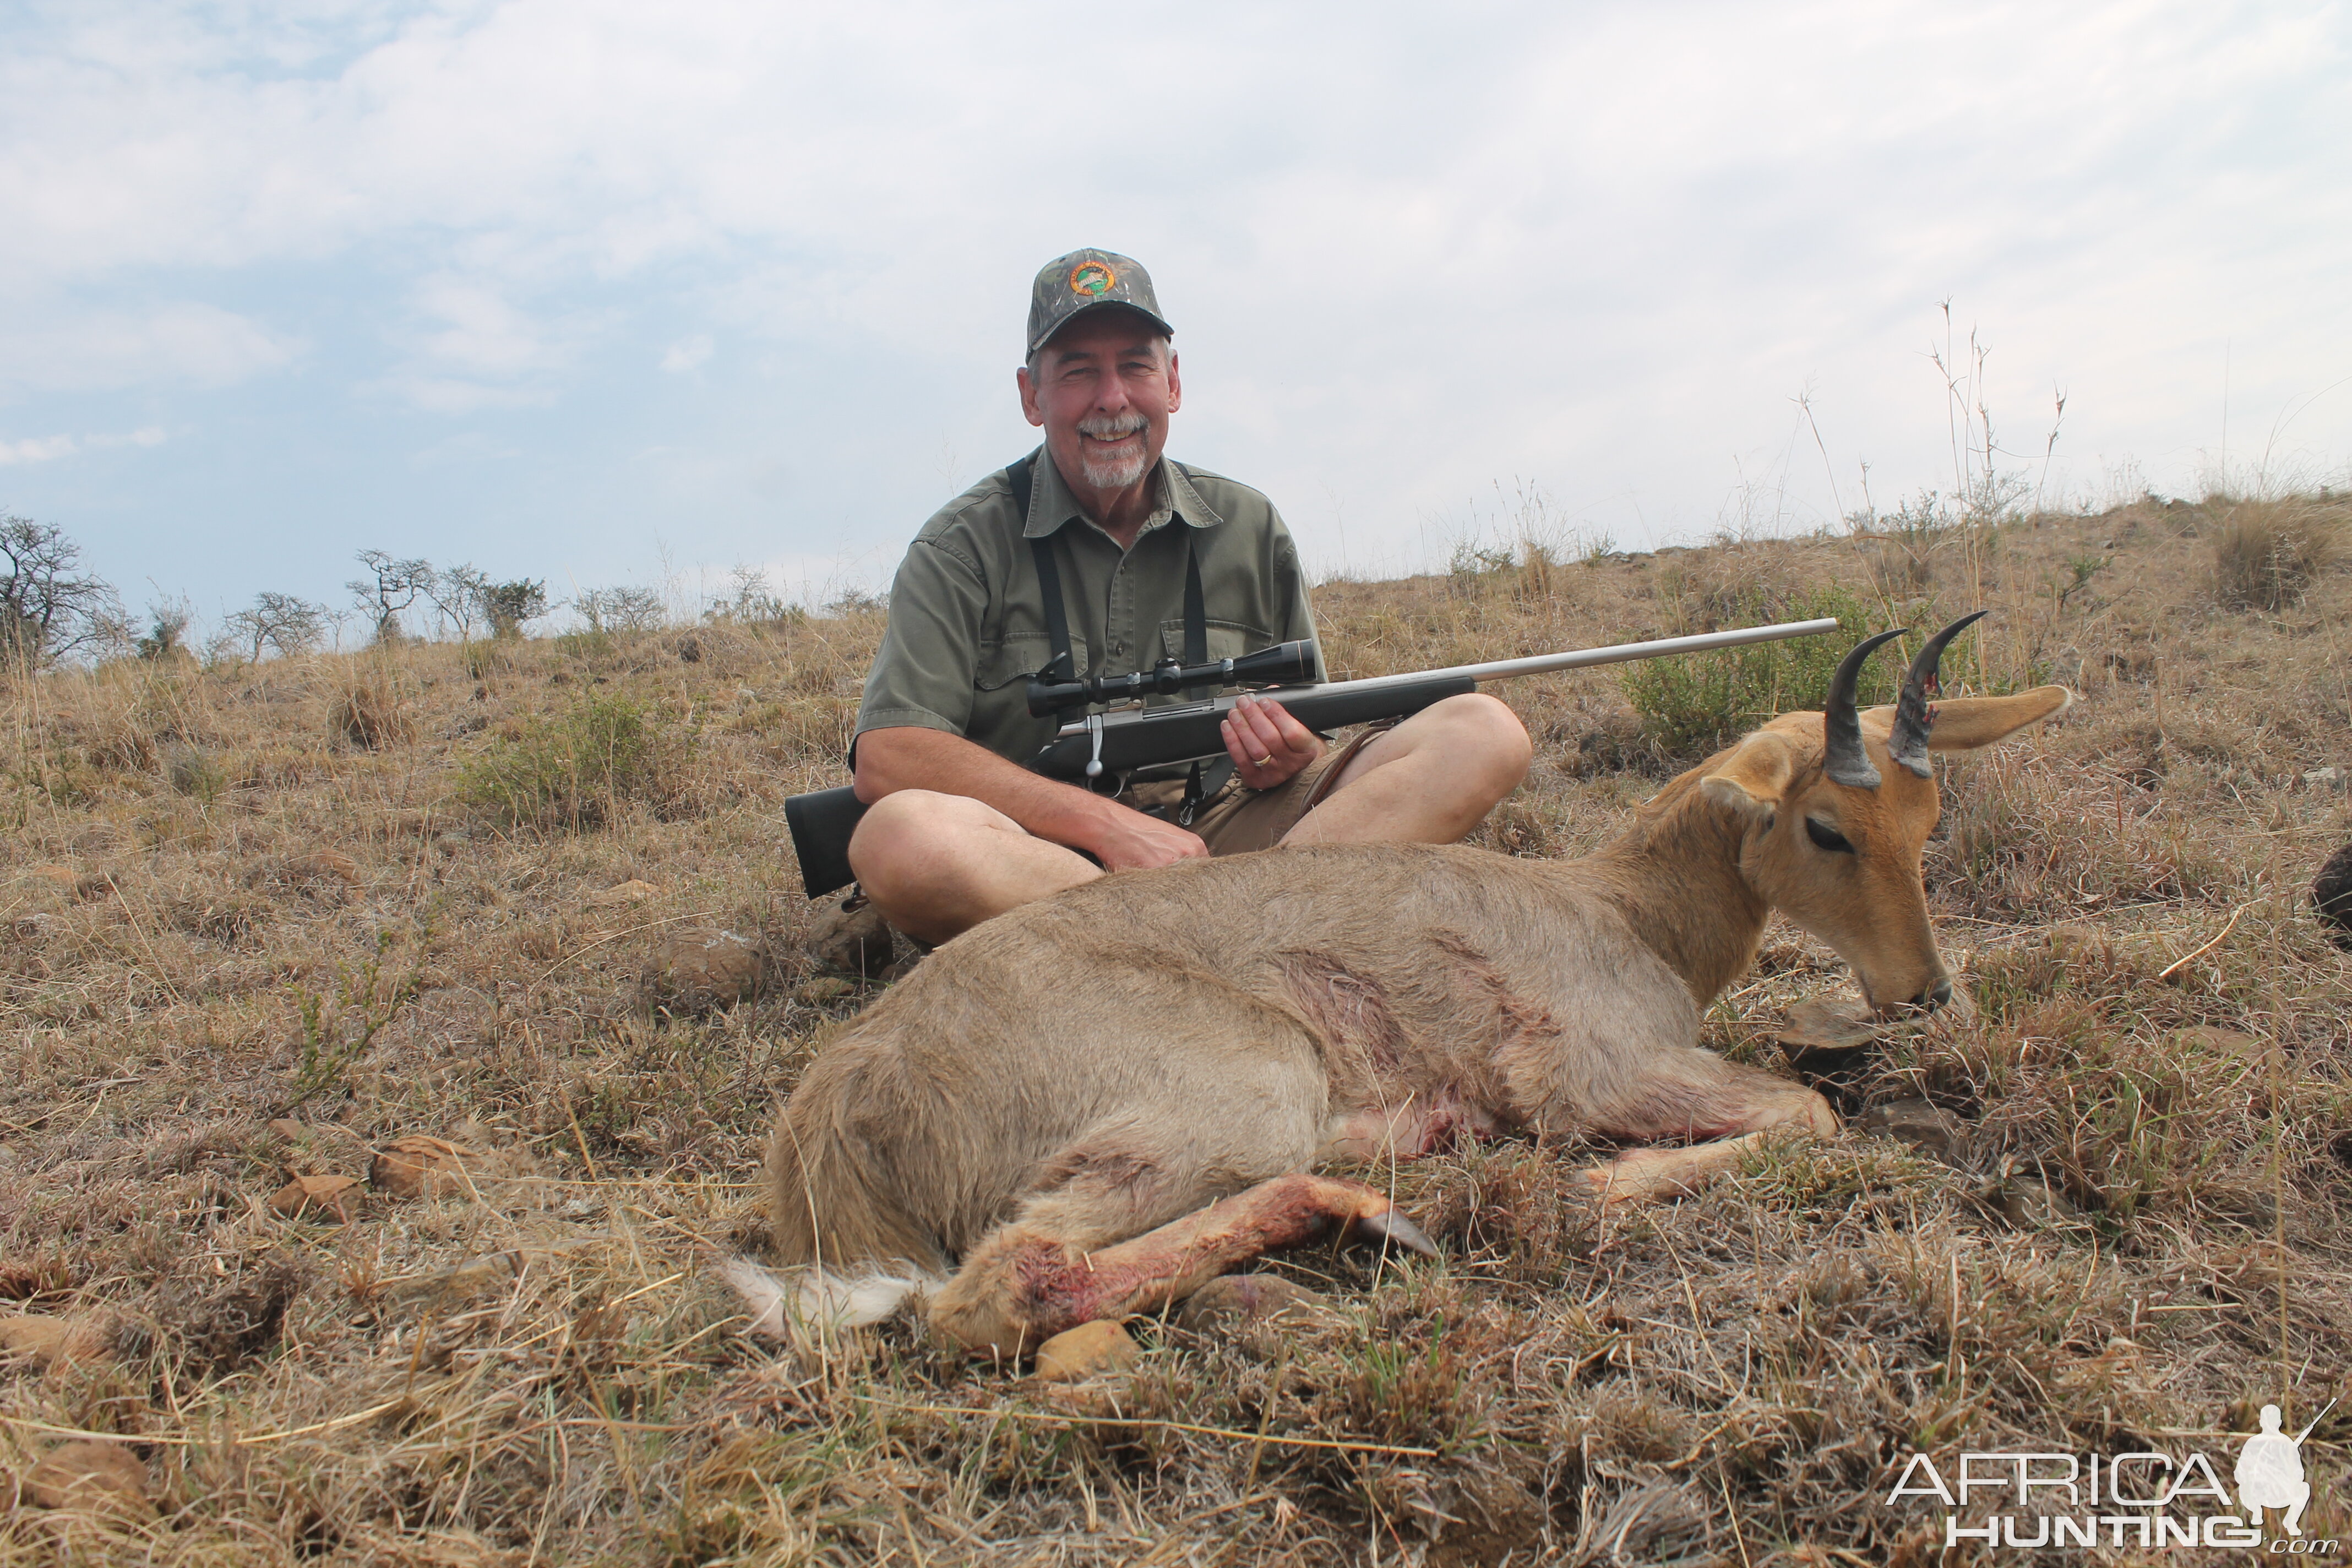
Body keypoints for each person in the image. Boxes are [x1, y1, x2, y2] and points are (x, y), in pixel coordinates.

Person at [839, 248, 1531, 948]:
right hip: (1048, 862)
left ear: (1172, 382)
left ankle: (1203, 940)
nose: (1112, 399)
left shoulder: (1251, 526)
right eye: (1079, 371)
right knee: (899, 838)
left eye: (1135, 365)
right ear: (1031, 395)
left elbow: (1310, 733)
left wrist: (1290, 756)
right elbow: (890, 754)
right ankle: (1234, 943)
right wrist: (1103, 825)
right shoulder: (960, 545)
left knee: (1483, 731)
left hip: (1235, 846)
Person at [2236, 1403, 2312, 1536]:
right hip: (2259, 1492)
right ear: (2280, 1422)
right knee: (2304, 1488)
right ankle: (2257, 1516)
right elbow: (2240, 1473)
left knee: (2304, 1488)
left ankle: (2290, 1522)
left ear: (2261, 1422)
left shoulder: (2286, 1444)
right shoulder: (2255, 1443)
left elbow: (2299, 1474)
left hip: (2279, 1493)